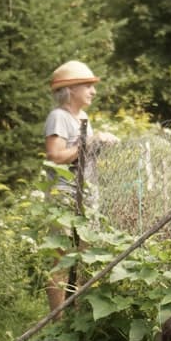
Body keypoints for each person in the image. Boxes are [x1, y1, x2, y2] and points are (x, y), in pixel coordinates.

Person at [42, 60, 118, 312]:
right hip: (64, 196)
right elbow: (55, 155)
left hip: (86, 195)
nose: (93, 91)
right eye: (87, 85)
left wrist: (100, 144)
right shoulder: (58, 117)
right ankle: (57, 320)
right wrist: (90, 142)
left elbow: (82, 153)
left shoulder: (83, 117)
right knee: (61, 259)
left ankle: (78, 317)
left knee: (86, 257)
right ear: (71, 89)